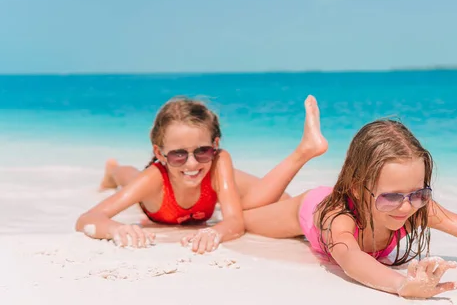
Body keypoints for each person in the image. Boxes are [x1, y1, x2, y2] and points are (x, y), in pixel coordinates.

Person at [243, 106, 457, 299]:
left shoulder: (416, 207)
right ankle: (304, 152)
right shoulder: (340, 216)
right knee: (245, 218)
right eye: (391, 197)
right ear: (357, 187)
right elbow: (351, 259)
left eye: (418, 193)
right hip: (309, 208)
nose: (407, 208)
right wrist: (402, 285)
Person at [75, 95, 327, 254]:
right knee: (128, 176)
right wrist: (116, 229)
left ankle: (303, 152)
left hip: (208, 180)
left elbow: (234, 221)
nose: (192, 163)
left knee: (280, 198)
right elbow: (87, 219)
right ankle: (112, 170)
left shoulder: (218, 162)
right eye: (178, 154)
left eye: (203, 151)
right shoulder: (153, 178)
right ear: (160, 153)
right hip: (157, 193)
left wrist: (216, 231)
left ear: (215, 144)